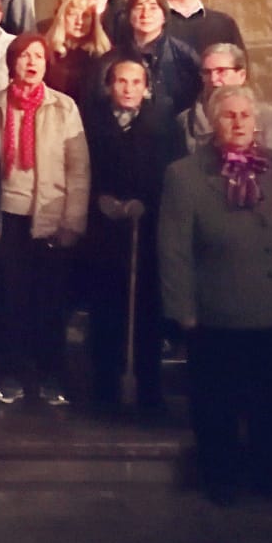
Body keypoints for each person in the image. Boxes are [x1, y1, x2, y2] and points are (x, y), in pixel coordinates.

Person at [158, 85, 272, 506]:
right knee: (216, 404)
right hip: (217, 311)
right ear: (212, 122)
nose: (239, 122)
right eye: (229, 116)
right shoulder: (185, 175)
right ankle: (220, 478)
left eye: (246, 115)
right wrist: (182, 309)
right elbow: (174, 250)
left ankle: (269, 478)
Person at [0, 33, 90, 406]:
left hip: (50, 214)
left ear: (47, 64)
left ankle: (51, 376)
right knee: (9, 300)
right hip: (6, 217)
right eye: (23, 56)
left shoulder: (64, 107)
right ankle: (9, 373)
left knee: (50, 301)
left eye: (38, 57)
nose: (30, 63)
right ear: (11, 62)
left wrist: (72, 221)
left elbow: (78, 170)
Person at [81, 58, 186, 415]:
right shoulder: (91, 122)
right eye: (121, 81)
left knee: (146, 313)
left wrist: (147, 202)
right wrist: (100, 198)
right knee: (106, 311)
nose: (128, 89)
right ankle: (105, 390)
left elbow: (174, 174)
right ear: (109, 85)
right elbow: (81, 166)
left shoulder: (163, 125)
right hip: (104, 232)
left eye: (135, 82)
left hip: (148, 231)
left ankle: (147, 390)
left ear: (146, 87)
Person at [97, 0, 201, 119]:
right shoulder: (110, 60)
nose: (145, 14)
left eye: (153, 7)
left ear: (164, 16)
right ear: (129, 16)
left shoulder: (183, 56)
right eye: (139, 7)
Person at [180, 42, 272, 151]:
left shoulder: (265, 117)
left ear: (241, 75)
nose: (213, 79)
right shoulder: (186, 122)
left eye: (221, 71)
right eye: (207, 72)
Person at [44, 0, 111, 103]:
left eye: (85, 16)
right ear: (62, 18)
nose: (79, 21)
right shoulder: (48, 51)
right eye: (73, 15)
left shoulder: (103, 56)